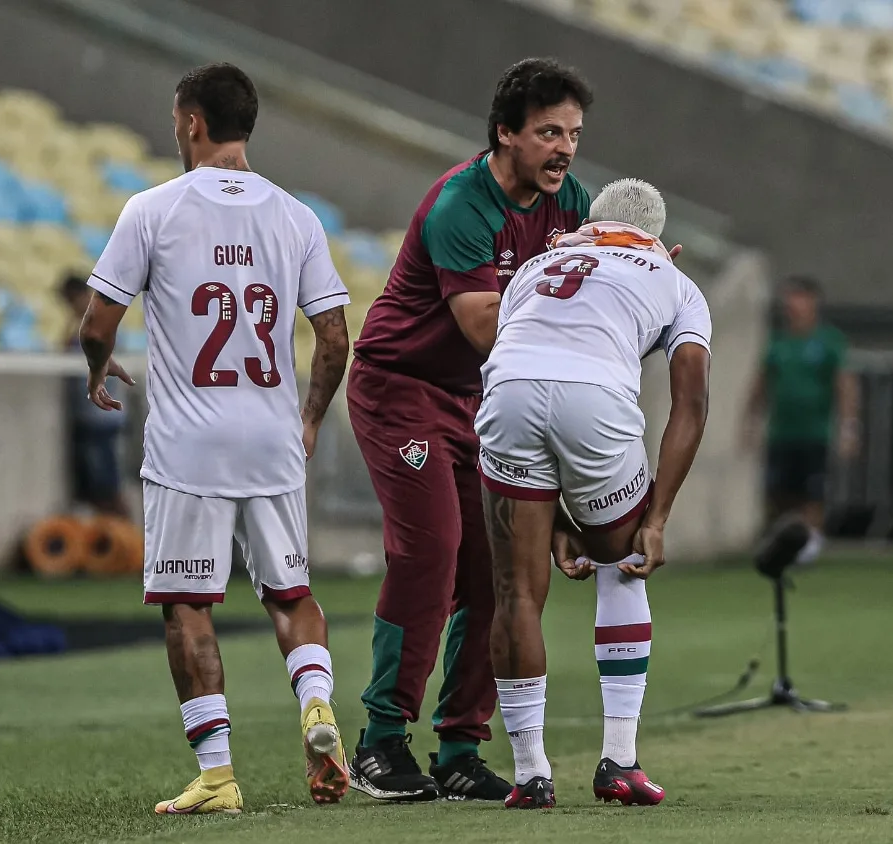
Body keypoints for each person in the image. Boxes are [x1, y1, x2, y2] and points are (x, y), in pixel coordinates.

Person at [77, 62, 352, 815]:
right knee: (290, 594)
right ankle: (318, 705)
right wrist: (311, 418)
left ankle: (220, 776)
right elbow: (333, 338)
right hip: (271, 439)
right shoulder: (295, 215)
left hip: (188, 446)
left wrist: (97, 372)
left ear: (192, 122)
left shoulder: (152, 209)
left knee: (187, 604)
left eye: (176, 121)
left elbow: (97, 322)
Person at [345, 57, 594, 803]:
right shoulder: (462, 204)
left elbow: (582, 299)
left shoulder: (570, 200)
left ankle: (459, 748)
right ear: (505, 134)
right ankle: (380, 741)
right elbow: (488, 327)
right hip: (402, 388)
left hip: (477, 400)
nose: (565, 149)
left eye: (575, 133)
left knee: (499, 569)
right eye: (549, 132)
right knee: (432, 551)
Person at [474, 179, 710, 809]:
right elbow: (690, 405)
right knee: (625, 561)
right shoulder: (674, 280)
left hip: (509, 393)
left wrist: (547, 515)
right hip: (596, 401)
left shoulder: (535, 264)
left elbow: (519, 355)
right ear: (666, 244)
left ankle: (530, 777)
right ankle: (620, 763)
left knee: (515, 591)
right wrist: (657, 517)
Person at [742, 276, 858, 565]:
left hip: (815, 432)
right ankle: (786, 540)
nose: (792, 306)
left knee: (812, 491)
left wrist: (849, 427)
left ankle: (810, 545)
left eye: (798, 299)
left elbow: (844, 386)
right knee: (780, 491)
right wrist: (750, 421)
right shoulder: (778, 343)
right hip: (782, 431)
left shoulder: (828, 341)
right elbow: (761, 384)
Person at [60, 275, 128, 518]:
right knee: (91, 485)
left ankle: (126, 537)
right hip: (86, 415)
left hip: (101, 416)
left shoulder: (102, 324)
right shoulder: (80, 327)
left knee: (106, 483)